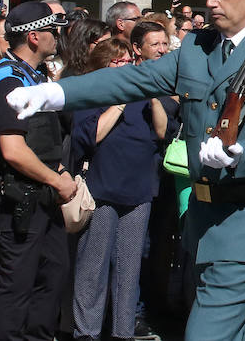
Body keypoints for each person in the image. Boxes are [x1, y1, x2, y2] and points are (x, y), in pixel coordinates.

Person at [4, 0, 245, 341]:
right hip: (206, 218)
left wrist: (244, 153)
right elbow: (132, 80)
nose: (210, 1)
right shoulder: (198, 47)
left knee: (207, 331)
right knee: (243, 331)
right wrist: (56, 94)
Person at [0, 2, 74, 341]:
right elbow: (13, 151)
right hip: (20, 198)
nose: (58, 37)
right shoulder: (8, 80)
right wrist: (56, 180)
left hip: (42, 197)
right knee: (16, 290)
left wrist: (59, 171)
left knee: (51, 277)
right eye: (53, 31)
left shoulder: (33, 76)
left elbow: (44, 140)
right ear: (34, 37)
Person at [69, 38, 167, 341]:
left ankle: (123, 332)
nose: (125, 67)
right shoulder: (91, 94)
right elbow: (92, 135)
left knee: (128, 268)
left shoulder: (143, 94)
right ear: (103, 65)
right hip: (102, 189)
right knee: (93, 266)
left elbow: (162, 131)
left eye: (128, 62)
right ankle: (86, 332)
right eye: (118, 62)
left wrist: (152, 99)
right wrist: (119, 101)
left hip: (138, 190)